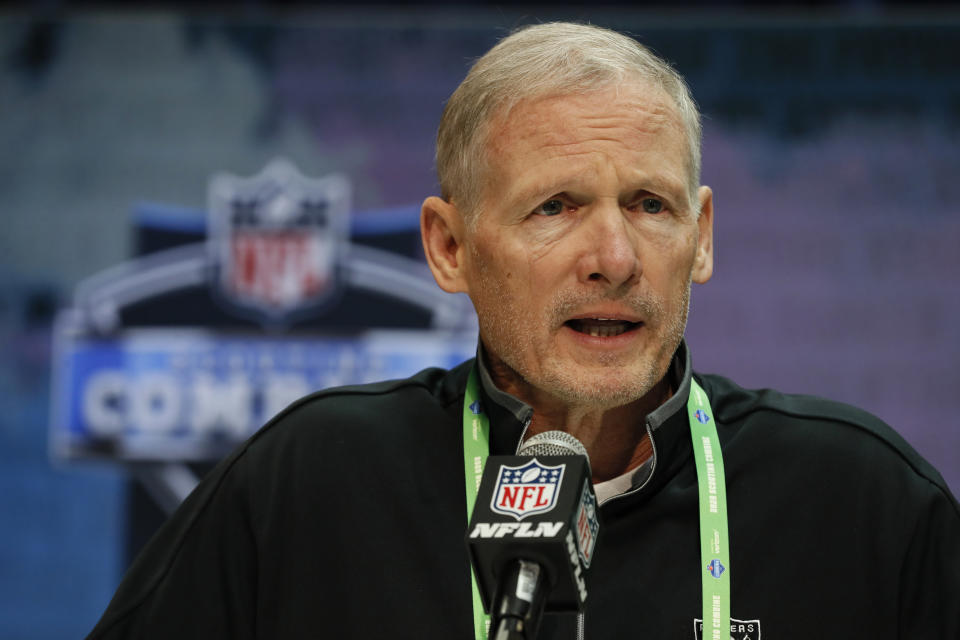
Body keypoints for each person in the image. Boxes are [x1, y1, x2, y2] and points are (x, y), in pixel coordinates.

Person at [86, 22, 959, 640]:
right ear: (451, 245)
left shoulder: (864, 501)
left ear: (702, 238)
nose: (614, 256)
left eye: (650, 205)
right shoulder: (312, 480)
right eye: (556, 206)